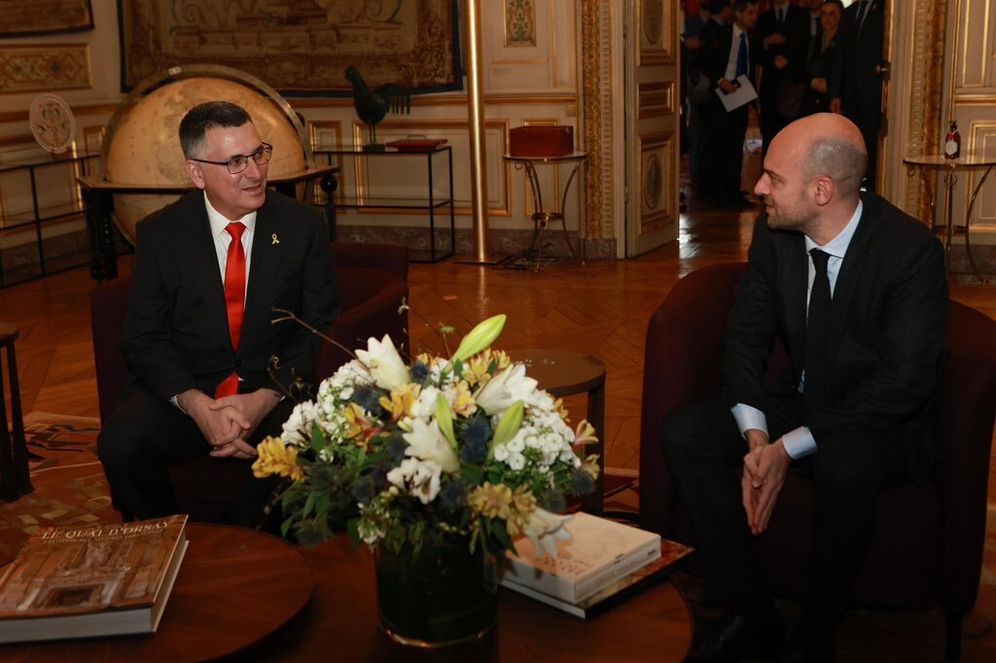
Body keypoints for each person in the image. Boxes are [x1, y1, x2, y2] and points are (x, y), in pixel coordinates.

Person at [662, 113, 947, 662]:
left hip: (878, 421)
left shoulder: (911, 252)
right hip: (802, 399)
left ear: (822, 190)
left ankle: (816, 634)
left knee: (845, 464)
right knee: (687, 432)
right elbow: (744, 338)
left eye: (773, 177)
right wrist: (756, 440)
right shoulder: (776, 236)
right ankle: (755, 614)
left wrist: (788, 447)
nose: (759, 187)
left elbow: (904, 383)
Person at [98, 101, 339, 528]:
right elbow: (143, 337)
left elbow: (319, 325)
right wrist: (197, 406)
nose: (255, 172)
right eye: (234, 162)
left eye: (258, 153)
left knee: (312, 438)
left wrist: (263, 398)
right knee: (121, 442)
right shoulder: (160, 234)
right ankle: (168, 538)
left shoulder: (304, 226)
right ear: (196, 173)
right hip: (193, 392)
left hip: (272, 387)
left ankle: (237, 541)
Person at [697, 0, 759, 209]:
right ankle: (716, 192)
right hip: (720, 97)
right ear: (738, 14)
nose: (753, 17)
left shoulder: (751, 37)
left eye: (755, 13)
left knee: (735, 146)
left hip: (740, 97)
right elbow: (702, 60)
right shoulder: (721, 33)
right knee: (718, 145)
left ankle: (733, 191)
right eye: (750, 13)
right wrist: (719, 79)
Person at [830, 0, 885, 191]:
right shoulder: (850, 12)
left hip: (873, 93)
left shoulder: (886, 9)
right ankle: (850, 188)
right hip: (850, 95)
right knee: (850, 144)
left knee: (869, 145)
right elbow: (840, 55)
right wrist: (835, 93)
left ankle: (868, 190)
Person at [755, 0, 810, 154]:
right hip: (770, 87)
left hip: (792, 86)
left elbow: (805, 46)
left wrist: (788, 61)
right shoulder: (764, 18)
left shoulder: (801, 14)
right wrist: (768, 47)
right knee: (769, 135)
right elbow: (756, 51)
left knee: (791, 136)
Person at [801, 0, 844, 116]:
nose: (827, 18)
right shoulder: (814, 40)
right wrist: (812, 81)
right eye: (824, 13)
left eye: (832, 14)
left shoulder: (845, 43)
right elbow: (802, 68)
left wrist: (829, 86)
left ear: (840, 16)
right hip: (811, 104)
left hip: (832, 104)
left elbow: (845, 74)